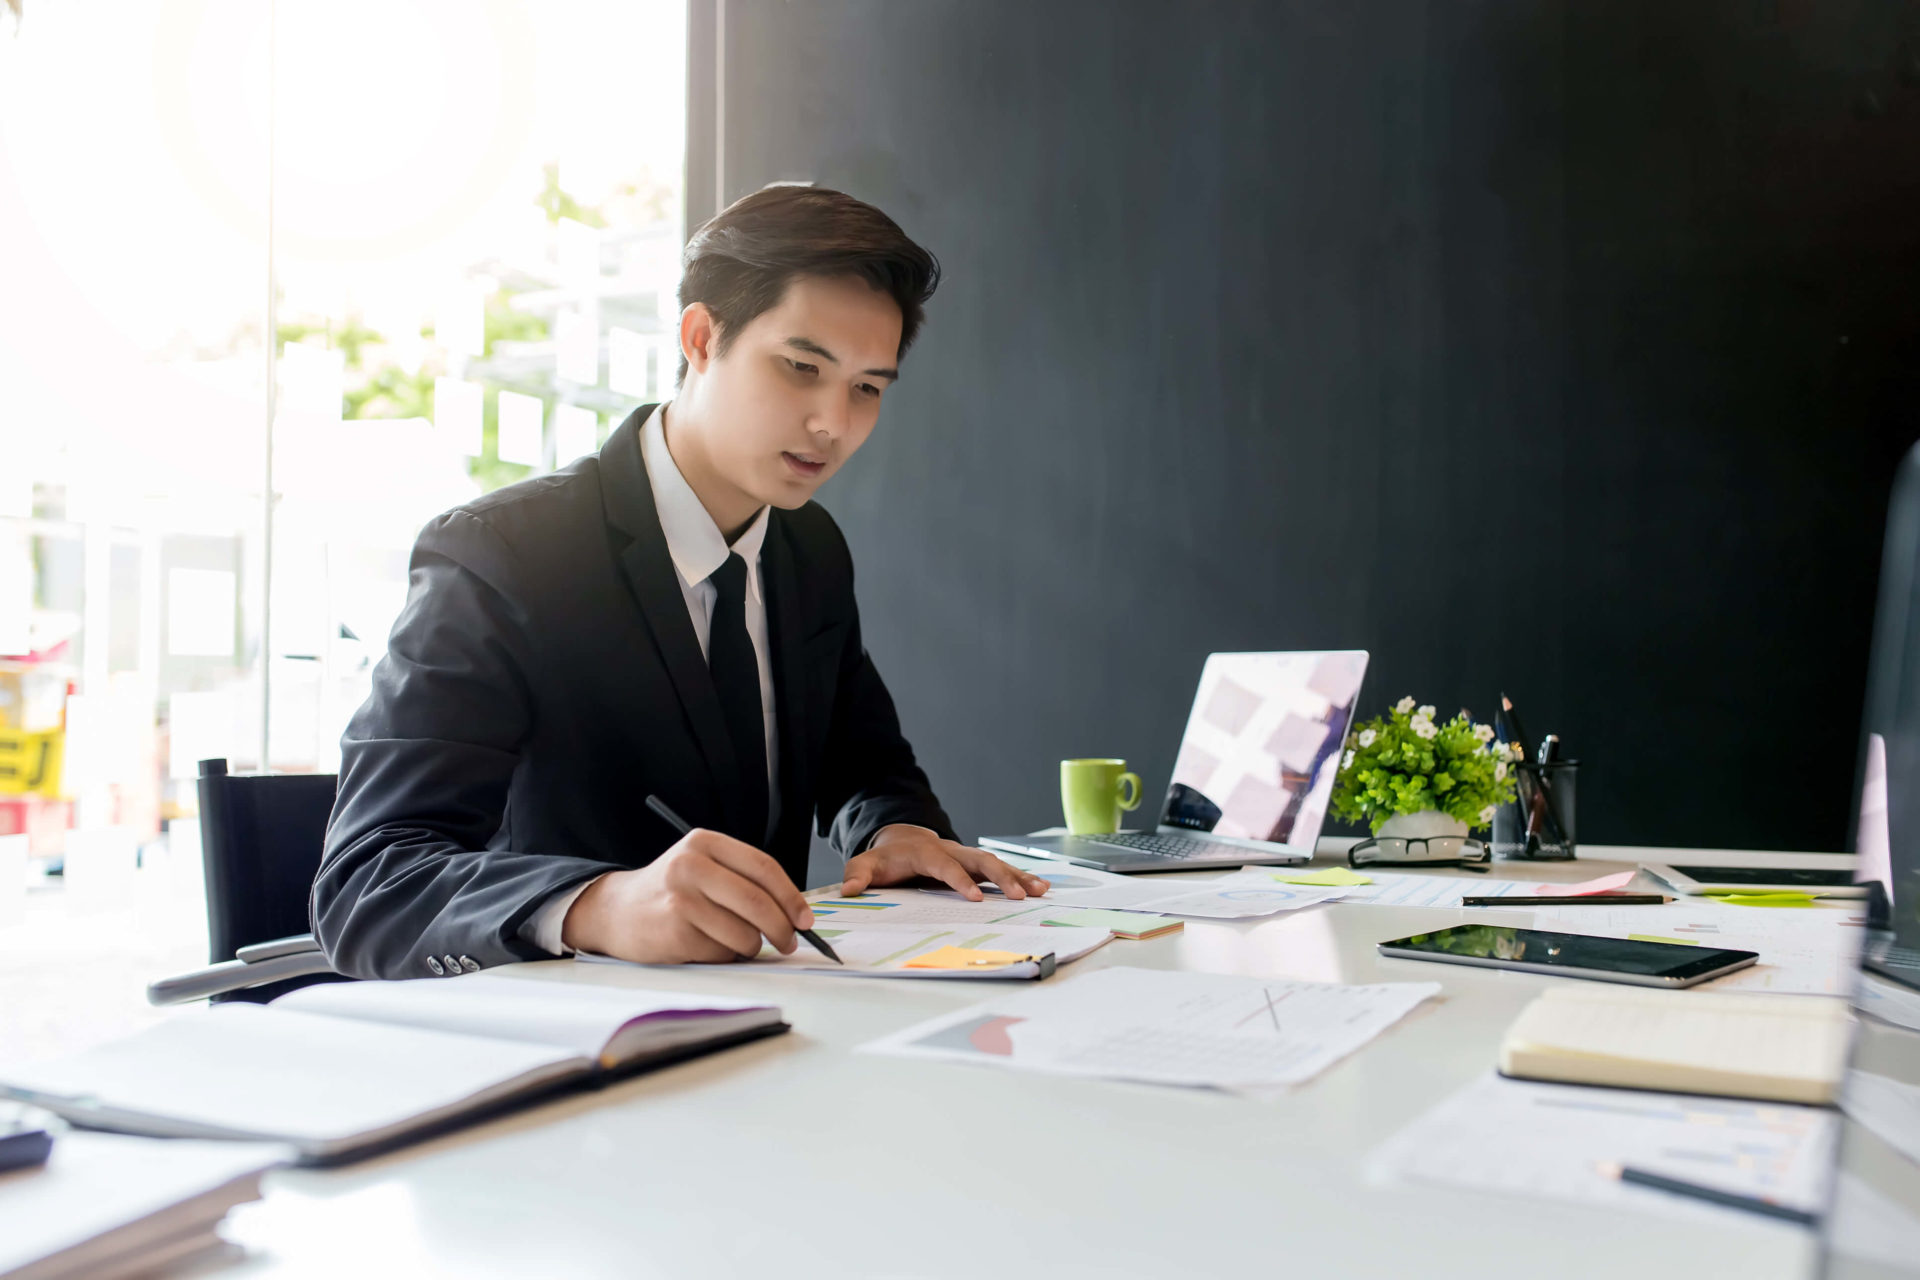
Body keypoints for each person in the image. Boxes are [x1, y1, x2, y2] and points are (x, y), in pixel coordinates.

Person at [314, 185, 1046, 979]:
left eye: (867, 387)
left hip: (776, 1019)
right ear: (702, 336)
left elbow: (860, 759)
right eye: (802, 367)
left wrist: (894, 830)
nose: (834, 422)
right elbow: (367, 881)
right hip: (563, 1041)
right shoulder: (506, 556)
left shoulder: (808, 547)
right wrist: (600, 903)